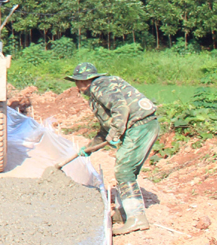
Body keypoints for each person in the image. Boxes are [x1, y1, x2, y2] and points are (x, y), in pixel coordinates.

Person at [67, 62, 159, 235]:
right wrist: (89, 148)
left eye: (78, 82)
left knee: (124, 170)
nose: (77, 87)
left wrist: (116, 133)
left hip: (140, 125)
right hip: (143, 125)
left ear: (86, 81)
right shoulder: (100, 92)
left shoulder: (99, 87)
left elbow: (120, 107)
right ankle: (122, 212)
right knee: (127, 170)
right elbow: (105, 129)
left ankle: (137, 218)